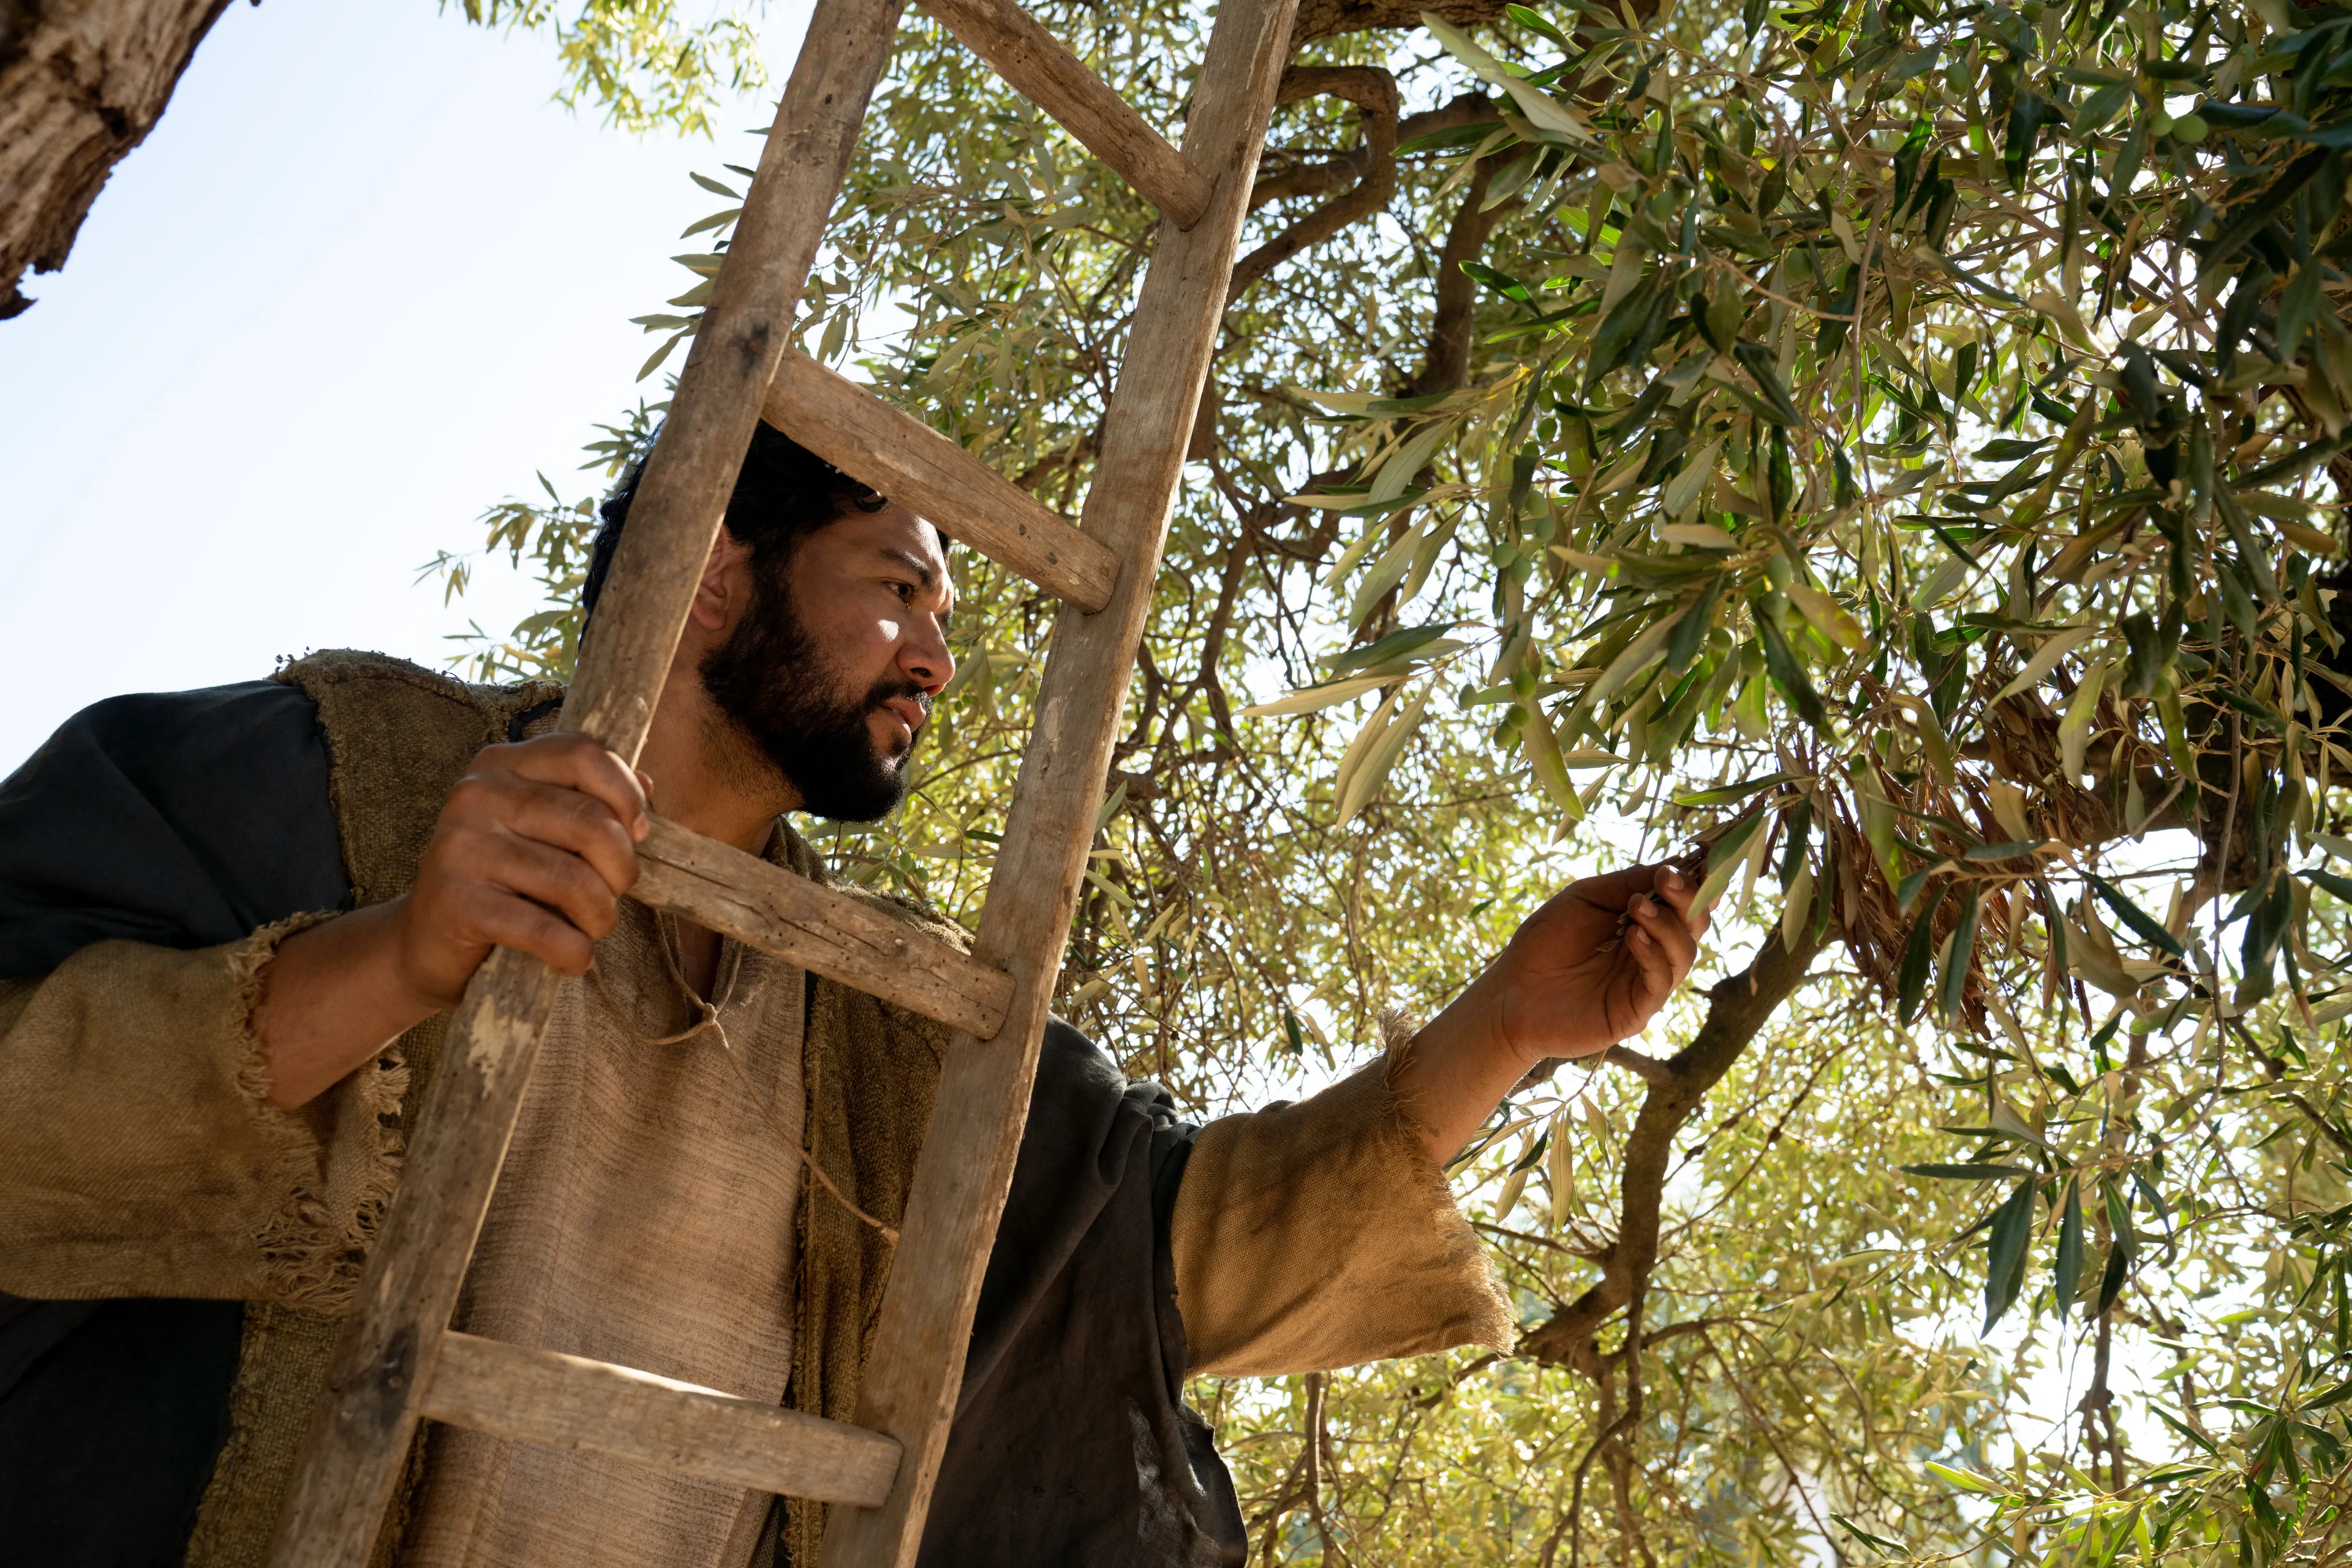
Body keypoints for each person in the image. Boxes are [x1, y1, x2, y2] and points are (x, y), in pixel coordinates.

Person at [0, 423, 1708, 1568]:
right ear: (721, 580)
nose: (940, 659)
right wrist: (402, 951)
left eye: (946, 612)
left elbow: (1164, 1261)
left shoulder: (892, 1030)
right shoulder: (337, 773)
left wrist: (1512, 1027)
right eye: (897, 589)